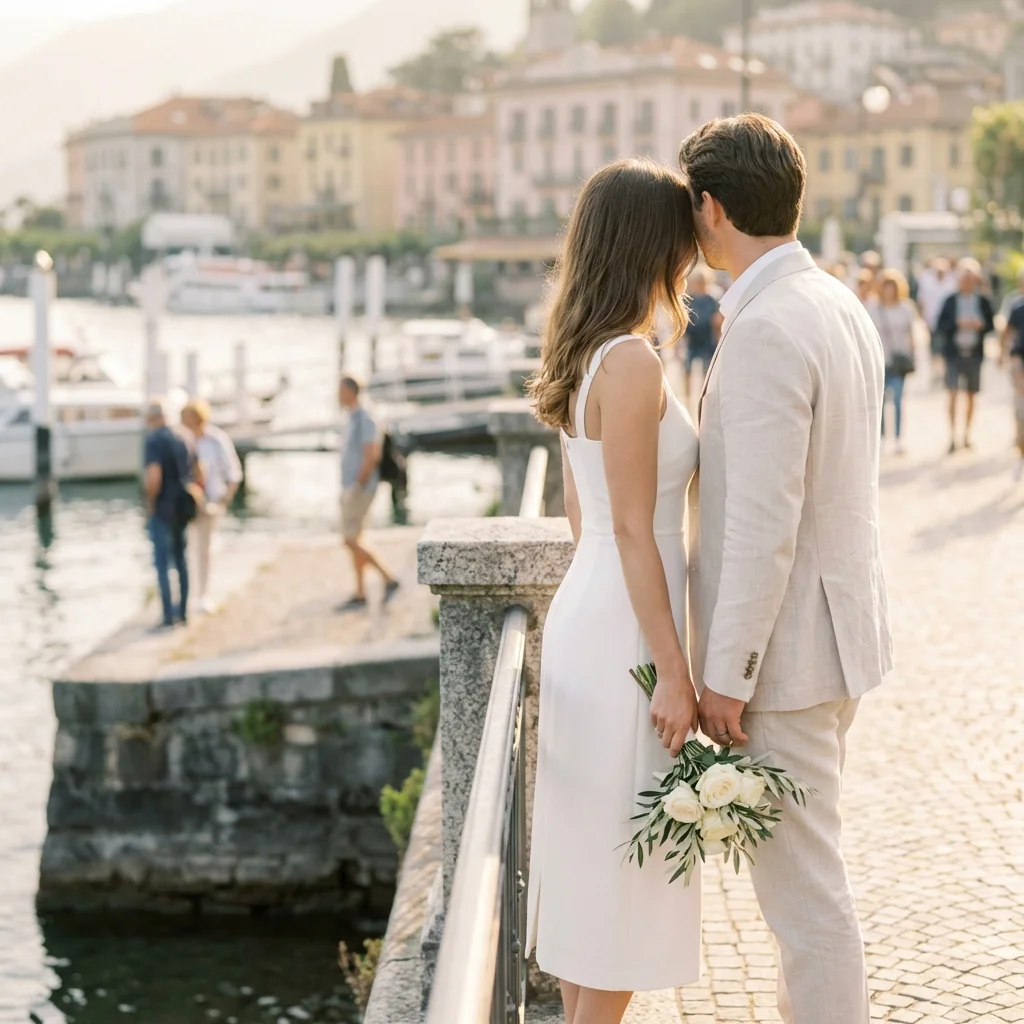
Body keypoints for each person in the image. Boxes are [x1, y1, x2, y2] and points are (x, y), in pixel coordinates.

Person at [679, 114, 892, 1024]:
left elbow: (763, 523)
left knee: (805, 902)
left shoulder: (766, 327)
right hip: (835, 634)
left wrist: (726, 676)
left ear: (713, 208)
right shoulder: (835, 299)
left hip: (790, 656)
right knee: (808, 891)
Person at [526, 158, 701, 1022]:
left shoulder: (584, 353)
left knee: (592, 863)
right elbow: (633, 528)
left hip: (593, 609)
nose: (693, 257)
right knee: (626, 868)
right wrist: (672, 667)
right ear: (652, 245)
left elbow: (581, 516)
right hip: (629, 624)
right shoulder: (630, 362)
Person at [337, 375, 398, 609]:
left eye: (341, 390)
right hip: (353, 485)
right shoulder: (353, 416)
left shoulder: (365, 418)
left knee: (350, 539)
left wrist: (356, 485)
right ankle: (360, 591)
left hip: (360, 487)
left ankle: (388, 577)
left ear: (351, 391)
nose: (338, 394)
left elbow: (371, 455)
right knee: (356, 538)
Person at [180, 399, 242, 614]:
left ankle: (203, 595)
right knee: (188, 548)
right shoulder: (183, 440)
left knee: (204, 549)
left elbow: (233, 472)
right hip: (187, 503)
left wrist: (224, 499)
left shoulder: (216, 440)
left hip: (210, 502)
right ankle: (189, 593)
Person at [143, 398, 196, 629]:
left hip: (164, 506)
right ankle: (183, 613)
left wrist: (150, 502)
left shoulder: (153, 440)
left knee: (163, 562)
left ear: (151, 418)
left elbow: (154, 476)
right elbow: (198, 470)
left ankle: (167, 615)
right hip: (183, 505)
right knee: (182, 560)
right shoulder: (184, 435)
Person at [937, 257, 995, 453]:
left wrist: (980, 325)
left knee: (971, 395)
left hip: (974, 354)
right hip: (954, 354)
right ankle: (952, 436)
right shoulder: (950, 301)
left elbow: (991, 325)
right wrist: (958, 323)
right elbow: (940, 326)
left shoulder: (983, 301)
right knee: (952, 393)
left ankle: (967, 435)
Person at [869, 269, 917, 454]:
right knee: (879, 400)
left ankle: (898, 438)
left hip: (899, 360)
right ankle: (881, 437)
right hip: (880, 360)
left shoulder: (906, 308)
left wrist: (913, 356)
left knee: (897, 399)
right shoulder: (873, 308)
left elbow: (912, 334)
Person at [681, 266, 722, 403]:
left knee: (706, 373)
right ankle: (687, 400)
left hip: (706, 340)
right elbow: (682, 322)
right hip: (692, 340)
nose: (700, 284)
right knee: (687, 372)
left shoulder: (712, 300)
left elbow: (717, 321)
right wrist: (679, 343)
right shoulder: (688, 299)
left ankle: (702, 401)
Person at [917, 257, 956, 385]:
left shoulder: (952, 282)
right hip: (932, 321)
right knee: (934, 348)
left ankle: (945, 373)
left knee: (945, 347)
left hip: (947, 322)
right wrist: (923, 320)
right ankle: (935, 373)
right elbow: (922, 301)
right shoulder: (926, 281)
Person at [1000, 292, 1024, 483]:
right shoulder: (1018, 308)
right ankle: (1020, 456)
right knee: (1021, 414)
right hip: (1021, 367)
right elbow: (1007, 332)